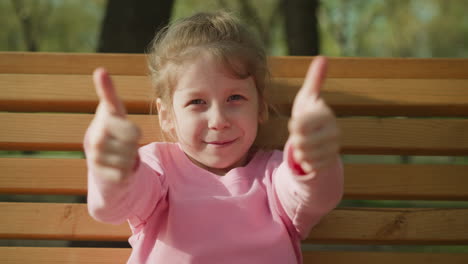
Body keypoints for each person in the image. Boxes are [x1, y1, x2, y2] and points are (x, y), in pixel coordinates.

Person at [84, 11, 343, 264]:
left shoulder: (276, 175)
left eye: (235, 98)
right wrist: (113, 167)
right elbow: (115, 205)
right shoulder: (157, 167)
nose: (218, 120)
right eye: (197, 102)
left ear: (260, 106)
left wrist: (312, 158)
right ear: (167, 116)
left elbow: (315, 195)